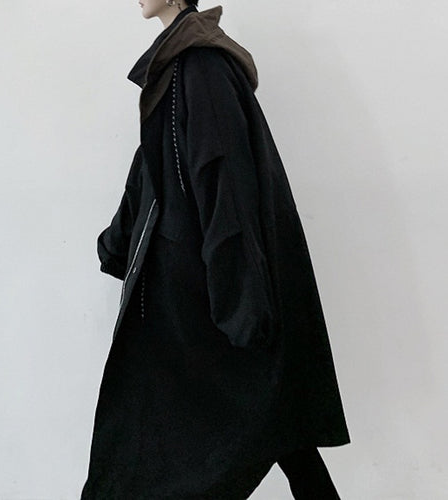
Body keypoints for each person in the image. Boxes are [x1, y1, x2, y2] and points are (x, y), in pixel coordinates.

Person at [80, 2, 351, 499]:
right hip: (189, 289)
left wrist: (241, 303)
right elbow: (151, 168)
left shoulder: (201, 68)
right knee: (270, 419)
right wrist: (118, 241)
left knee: (202, 436)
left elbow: (225, 184)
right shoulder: (177, 64)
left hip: (200, 297)